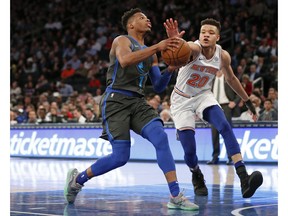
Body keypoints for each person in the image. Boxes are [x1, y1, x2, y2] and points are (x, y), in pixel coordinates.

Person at [64, 8, 198, 211]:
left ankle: (175, 195)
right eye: (141, 17)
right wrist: (158, 46)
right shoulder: (122, 40)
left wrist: (172, 64)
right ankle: (78, 180)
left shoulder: (151, 54)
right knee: (120, 157)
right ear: (131, 25)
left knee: (161, 137)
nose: (147, 19)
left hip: (137, 102)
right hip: (116, 100)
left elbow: (159, 85)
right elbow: (125, 60)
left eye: (147, 17)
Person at [164, 18, 263, 198]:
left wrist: (248, 102)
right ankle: (196, 174)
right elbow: (185, 47)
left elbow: (231, 79)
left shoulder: (222, 55)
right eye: (203, 32)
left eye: (210, 33)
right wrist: (175, 41)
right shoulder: (194, 49)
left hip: (203, 95)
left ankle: (243, 178)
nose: (206, 35)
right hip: (182, 100)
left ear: (217, 37)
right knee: (190, 151)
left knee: (224, 126)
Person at [207, 70, 241, 165]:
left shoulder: (228, 77)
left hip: (226, 107)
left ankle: (231, 157)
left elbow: (240, 90)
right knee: (214, 134)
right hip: (213, 106)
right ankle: (215, 157)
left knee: (227, 133)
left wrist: (235, 102)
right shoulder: (211, 79)